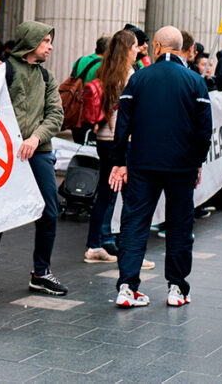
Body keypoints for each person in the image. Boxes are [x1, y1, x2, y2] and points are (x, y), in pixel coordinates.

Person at [109, 26, 211, 308]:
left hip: (142, 163)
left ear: (156, 46)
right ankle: (177, 288)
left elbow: (123, 126)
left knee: (135, 223)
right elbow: (205, 131)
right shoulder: (195, 82)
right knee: (179, 225)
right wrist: (198, 161)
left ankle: (127, 287)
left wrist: (119, 161)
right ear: (182, 50)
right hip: (182, 166)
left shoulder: (139, 78)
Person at [0, 20, 67, 298]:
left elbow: (56, 114)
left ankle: (41, 273)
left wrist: (35, 138)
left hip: (38, 151)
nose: (50, 47)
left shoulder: (47, 77)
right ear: (31, 42)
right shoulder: (3, 70)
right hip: (5, 154)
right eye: (46, 41)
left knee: (49, 211)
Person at [84, 30, 155, 268]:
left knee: (105, 193)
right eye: (135, 46)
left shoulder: (105, 70)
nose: (139, 50)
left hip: (105, 139)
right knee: (132, 199)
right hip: (124, 142)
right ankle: (130, 252)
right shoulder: (129, 74)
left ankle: (95, 246)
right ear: (128, 49)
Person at [66, 36, 109, 142]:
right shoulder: (104, 65)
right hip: (90, 114)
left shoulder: (80, 60)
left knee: (78, 143)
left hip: (75, 111)